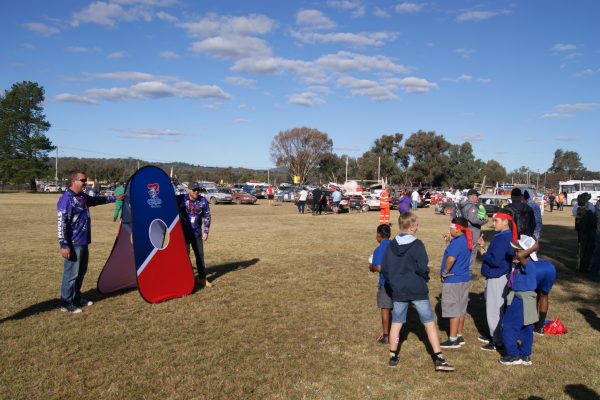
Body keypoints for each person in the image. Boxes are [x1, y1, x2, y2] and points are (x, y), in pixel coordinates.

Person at [381, 212, 455, 371]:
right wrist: (424, 277)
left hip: (399, 290)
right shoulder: (418, 244)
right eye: (417, 225)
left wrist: (393, 283)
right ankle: (439, 357)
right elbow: (422, 267)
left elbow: (385, 269)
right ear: (413, 227)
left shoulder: (390, 245)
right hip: (417, 289)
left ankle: (393, 355)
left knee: (397, 323)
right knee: (428, 323)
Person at [57, 171, 122, 313]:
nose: (85, 183)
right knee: (71, 274)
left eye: (86, 180)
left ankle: (76, 298)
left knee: (81, 272)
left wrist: (115, 198)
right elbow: (61, 223)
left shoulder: (82, 197)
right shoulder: (66, 199)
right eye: (83, 180)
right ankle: (66, 302)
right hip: (73, 242)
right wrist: (63, 245)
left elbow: (97, 200)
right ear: (74, 181)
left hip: (83, 240)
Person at [477, 209, 518, 351]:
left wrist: (483, 253)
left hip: (497, 275)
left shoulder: (502, 237)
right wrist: (485, 247)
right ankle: (494, 334)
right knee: (497, 306)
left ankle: (497, 341)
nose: (493, 223)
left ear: (505, 221)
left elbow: (495, 260)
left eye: (496, 220)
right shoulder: (504, 235)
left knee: (494, 309)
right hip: (500, 274)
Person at [500, 235, 538, 366]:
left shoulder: (529, 264)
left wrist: (533, 247)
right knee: (527, 328)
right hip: (529, 300)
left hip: (521, 300)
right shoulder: (523, 264)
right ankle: (525, 355)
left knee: (508, 326)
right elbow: (521, 257)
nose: (516, 253)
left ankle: (513, 355)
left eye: (518, 250)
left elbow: (522, 256)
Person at [439, 217, 473, 349]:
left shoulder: (457, 242)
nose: (450, 229)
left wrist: (445, 271)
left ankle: (452, 339)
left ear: (458, 229)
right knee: (461, 308)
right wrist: (448, 242)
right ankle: (459, 335)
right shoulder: (465, 240)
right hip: (464, 279)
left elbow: (451, 258)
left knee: (453, 309)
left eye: (451, 228)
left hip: (453, 279)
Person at [177, 183, 213, 288]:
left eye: (198, 189)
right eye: (194, 190)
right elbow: (166, 199)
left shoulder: (203, 200)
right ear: (188, 190)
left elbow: (207, 215)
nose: (196, 191)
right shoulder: (180, 198)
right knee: (184, 256)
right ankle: (185, 278)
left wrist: (206, 231)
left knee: (200, 256)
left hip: (197, 232)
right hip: (184, 232)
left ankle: (202, 278)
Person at [369, 224, 393, 344]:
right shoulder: (396, 245)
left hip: (386, 283)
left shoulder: (379, 249)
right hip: (400, 282)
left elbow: (379, 267)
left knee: (385, 308)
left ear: (378, 236)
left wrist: (371, 267)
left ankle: (386, 335)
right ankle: (396, 332)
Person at [455, 189, 488, 273]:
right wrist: (485, 220)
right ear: (473, 196)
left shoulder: (464, 205)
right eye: (477, 196)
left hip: (465, 232)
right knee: (472, 253)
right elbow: (474, 220)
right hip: (472, 233)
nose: (478, 198)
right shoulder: (471, 207)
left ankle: (463, 270)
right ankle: (468, 272)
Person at [575, 193, 596, 273]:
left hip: (580, 232)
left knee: (580, 250)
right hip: (587, 233)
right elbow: (593, 224)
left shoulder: (579, 209)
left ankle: (579, 267)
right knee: (586, 251)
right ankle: (584, 268)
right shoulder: (588, 211)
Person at [590, 198, 600, 282]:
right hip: (598, 233)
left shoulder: (596, 207)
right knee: (597, 255)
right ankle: (594, 274)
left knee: (597, 254)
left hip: (597, 233)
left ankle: (594, 273)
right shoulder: (597, 209)